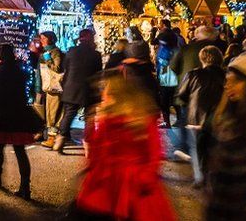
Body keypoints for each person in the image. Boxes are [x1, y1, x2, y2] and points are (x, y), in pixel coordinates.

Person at [74, 70, 175, 220]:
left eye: (105, 92)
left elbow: (96, 152)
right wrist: (147, 175)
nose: (102, 96)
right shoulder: (142, 119)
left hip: (109, 180)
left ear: (114, 96)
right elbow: (155, 151)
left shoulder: (106, 120)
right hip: (138, 180)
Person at [0, 44, 43, 199]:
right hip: (19, 115)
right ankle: (25, 187)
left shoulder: (1, 71)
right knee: (20, 151)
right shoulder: (19, 69)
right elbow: (24, 92)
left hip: (4, 116)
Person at [205, 53, 246, 220]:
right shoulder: (225, 122)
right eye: (227, 81)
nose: (227, 86)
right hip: (223, 209)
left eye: (236, 81)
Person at [175, 45, 225, 186]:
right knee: (214, 148)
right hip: (218, 118)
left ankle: (199, 177)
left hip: (196, 117)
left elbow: (182, 94)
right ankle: (213, 176)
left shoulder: (193, 74)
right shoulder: (226, 75)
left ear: (202, 59)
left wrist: (188, 103)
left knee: (196, 149)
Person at [53, 29, 102, 152]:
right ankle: (88, 143)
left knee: (69, 114)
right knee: (89, 117)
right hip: (89, 89)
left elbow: (66, 68)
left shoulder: (71, 51)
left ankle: (60, 139)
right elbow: (98, 73)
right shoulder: (95, 54)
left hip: (71, 88)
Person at [37, 31, 64, 147]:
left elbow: (57, 68)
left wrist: (47, 58)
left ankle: (52, 139)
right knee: (48, 112)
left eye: (44, 38)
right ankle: (52, 137)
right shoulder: (45, 52)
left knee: (52, 113)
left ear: (51, 39)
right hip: (46, 87)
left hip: (53, 87)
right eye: (41, 38)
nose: (41, 40)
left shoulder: (55, 52)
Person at [156, 32, 180, 127]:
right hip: (171, 78)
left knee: (165, 101)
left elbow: (163, 62)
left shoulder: (165, 49)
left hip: (166, 77)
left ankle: (168, 121)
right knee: (173, 100)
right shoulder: (176, 49)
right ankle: (178, 119)